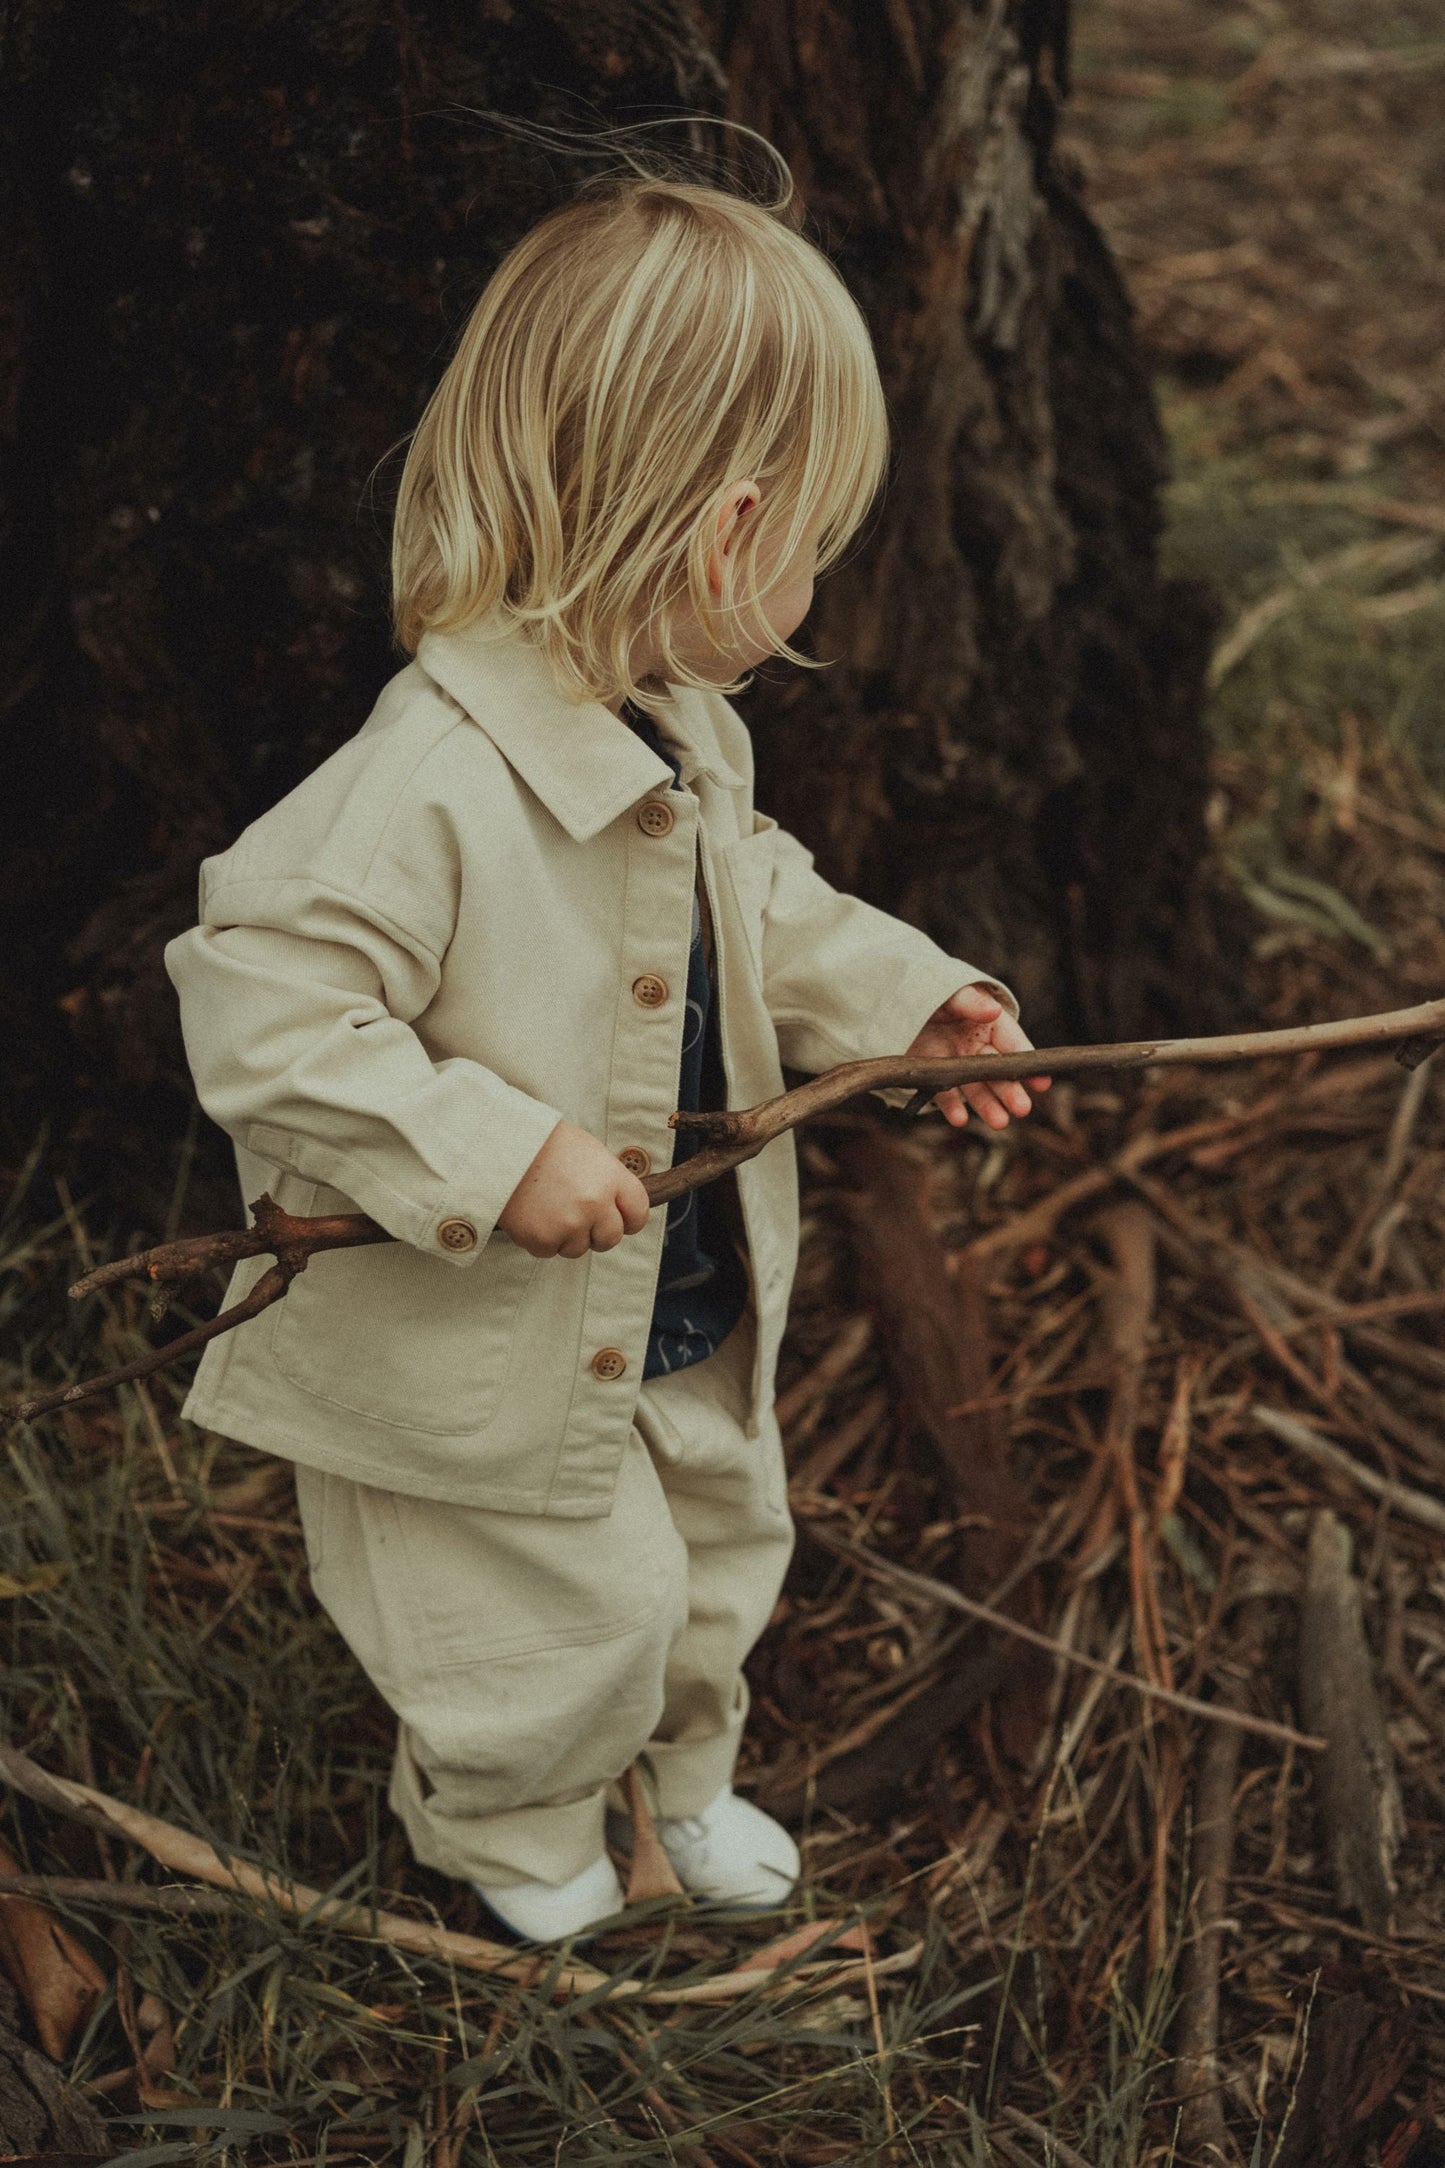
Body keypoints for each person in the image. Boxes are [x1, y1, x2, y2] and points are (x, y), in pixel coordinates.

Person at [164, 164, 1048, 1943]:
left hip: (678, 1294)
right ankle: (508, 1828)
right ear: (727, 535)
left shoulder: (681, 734)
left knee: (717, 1564)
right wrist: (486, 1153)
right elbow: (259, 993)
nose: (812, 584)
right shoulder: (426, 783)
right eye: (812, 540)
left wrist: (901, 1004)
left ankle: (687, 1785)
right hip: (481, 1336)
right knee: (558, 1620)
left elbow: (761, 902)